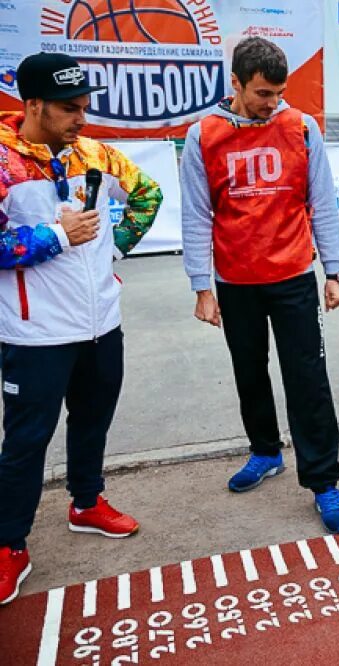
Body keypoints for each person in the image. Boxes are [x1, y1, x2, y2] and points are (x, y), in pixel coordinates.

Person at [0, 52, 162, 605]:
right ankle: (8, 545)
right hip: (34, 332)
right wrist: (55, 235)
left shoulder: (95, 154)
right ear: (33, 104)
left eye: (85, 108)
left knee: (92, 421)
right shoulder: (3, 162)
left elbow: (149, 195)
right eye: (70, 109)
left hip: (100, 323)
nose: (80, 119)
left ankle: (86, 503)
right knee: (25, 441)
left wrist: (112, 250)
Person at [180, 37, 339, 533]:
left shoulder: (302, 128)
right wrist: (201, 286)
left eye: (278, 93)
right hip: (235, 281)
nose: (271, 103)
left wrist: (333, 273)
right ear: (234, 83)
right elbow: (196, 215)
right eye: (261, 94)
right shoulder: (204, 136)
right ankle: (264, 451)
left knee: (308, 380)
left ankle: (323, 481)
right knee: (249, 372)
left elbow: (323, 201)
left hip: (295, 276)